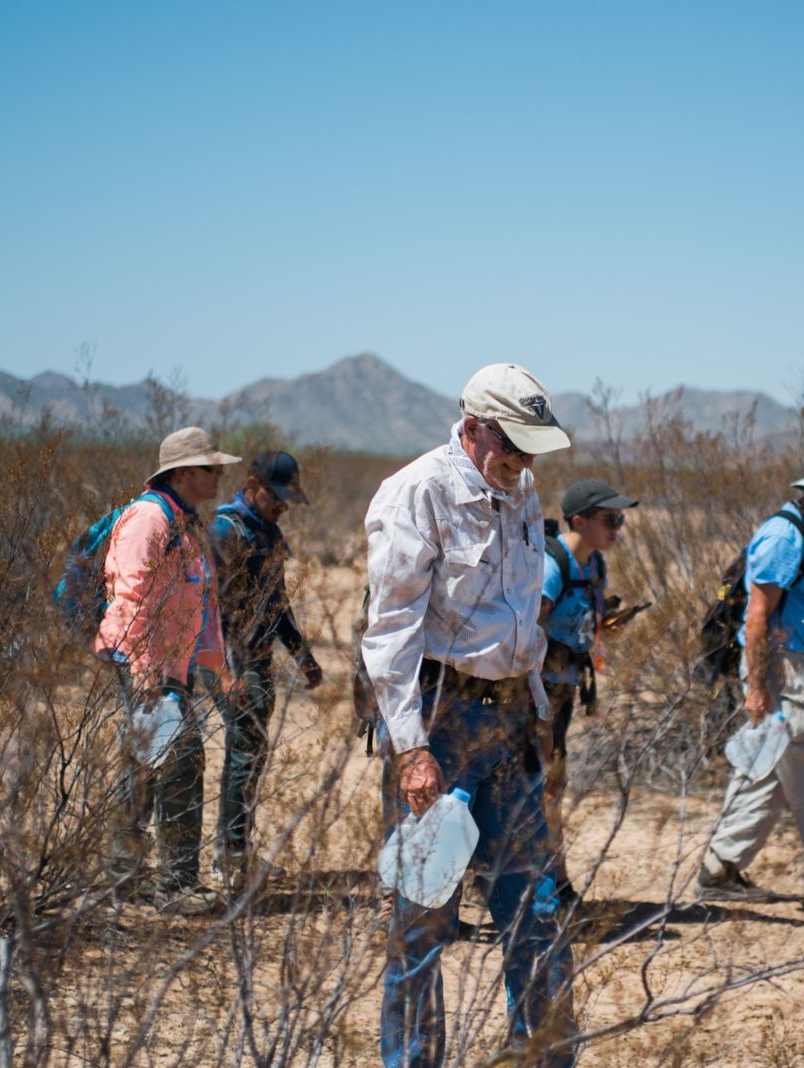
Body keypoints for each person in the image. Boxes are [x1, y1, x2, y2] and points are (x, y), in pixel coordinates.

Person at [363, 363, 577, 1068]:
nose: (522, 460)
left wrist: (539, 710)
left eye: (532, 448)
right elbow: (390, 630)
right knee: (424, 917)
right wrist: (411, 748)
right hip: (441, 717)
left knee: (536, 908)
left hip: (510, 722)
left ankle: (542, 1055)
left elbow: (521, 619)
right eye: (512, 444)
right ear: (474, 426)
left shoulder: (521, 490)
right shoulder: (419, 492)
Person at [697, 458, 804, 907]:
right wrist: (757, 685)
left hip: (800, 670)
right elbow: (757, 615)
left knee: (772, 769)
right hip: (780, 668)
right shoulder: (785, 536)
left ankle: (720, 866)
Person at [98, 426, 241, 916]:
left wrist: (218, 670)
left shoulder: (187, 523)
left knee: (144, 766)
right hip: (144, 665)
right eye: (210, 469)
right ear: (183, 473)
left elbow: (204, 605)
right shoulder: (148, 519)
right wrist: (145, 675)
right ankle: (173, 885)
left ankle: (126, 877)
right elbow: (130, 596)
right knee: (179, 762)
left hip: (169, 666)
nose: (219, 476)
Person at [207, 450, 323, 891]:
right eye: (275, 496)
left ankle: (239, 851)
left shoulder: (267, 533)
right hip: (228, 659)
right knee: (243, 752)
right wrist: (224, 670)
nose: (282, 505)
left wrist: (302, 655)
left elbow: (277, 604)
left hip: (256, 658)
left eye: (286, 498)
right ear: (252, 486)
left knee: (252, 754)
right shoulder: (225, 531)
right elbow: (209, 608)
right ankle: (229, 859)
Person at [538, 478, 639, 902]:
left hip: (564, 688)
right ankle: (546, 882)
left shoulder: (594, 566)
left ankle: (550, 877)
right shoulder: (551, 566)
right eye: (609, 519)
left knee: (551, 783)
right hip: (536, 692)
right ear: (579, 521)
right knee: (542, 783)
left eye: (620, 519)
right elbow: (527, 630)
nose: (617, 526)